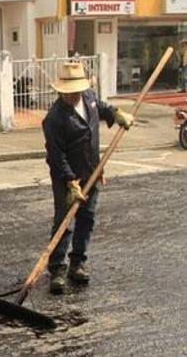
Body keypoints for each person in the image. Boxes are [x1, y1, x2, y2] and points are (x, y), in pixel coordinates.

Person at [42, 62, 134, 294]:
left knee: (87, 218)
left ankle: (77, 264)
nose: (73, 94)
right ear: (61, 90)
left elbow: (101, 108)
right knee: (64, 222)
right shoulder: (54, 119)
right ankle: (57, 270)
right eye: (69, 91)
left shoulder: (89, 97)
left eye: (76, 90)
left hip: (93, 170)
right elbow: (56, 155)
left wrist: (115, 113)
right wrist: (70, 181)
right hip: (67, 178)